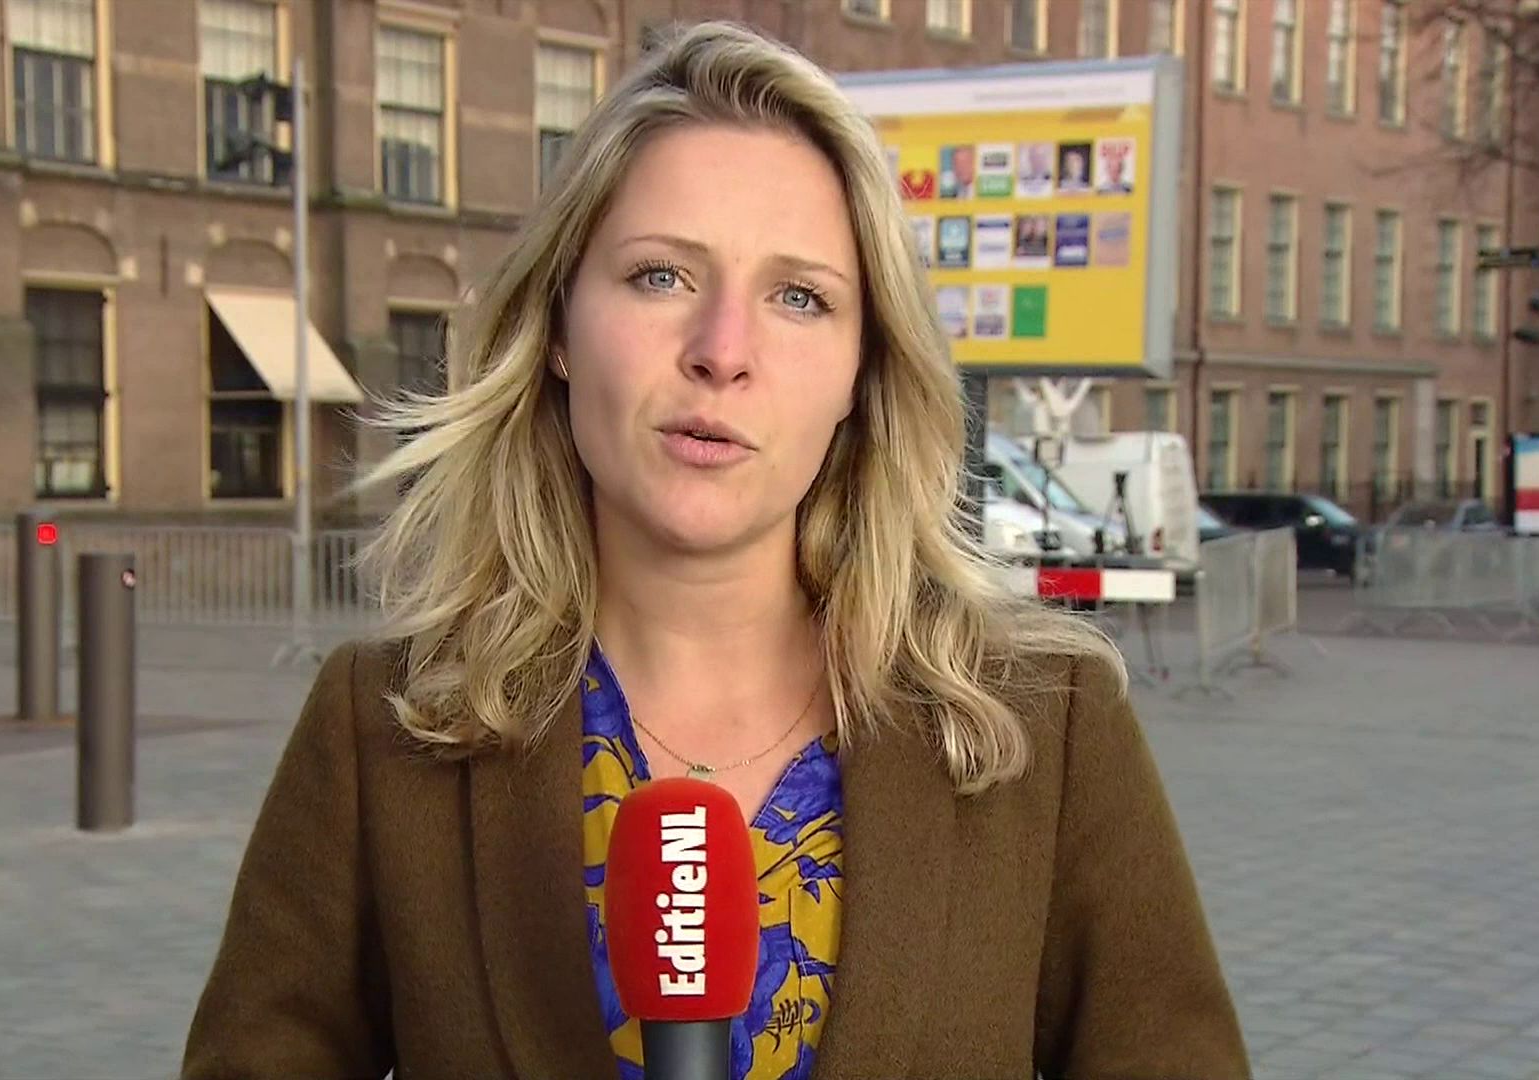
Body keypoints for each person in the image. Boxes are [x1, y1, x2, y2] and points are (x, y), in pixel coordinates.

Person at [181, 21, 1248, 1080]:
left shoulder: (1046, 728)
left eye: (800, 297)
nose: (723, 352)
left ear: (861, 372)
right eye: (660, 276)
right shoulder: (383, 728)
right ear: (559, 329)